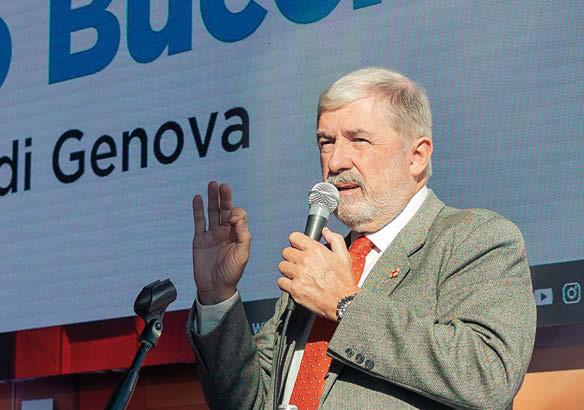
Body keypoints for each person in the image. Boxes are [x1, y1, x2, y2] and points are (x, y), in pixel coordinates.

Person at [186, 68, 537, 409]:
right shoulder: (319, 267)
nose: (336, 161)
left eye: (359, 140)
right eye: (326, 142)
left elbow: (489, 375)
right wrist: (217, 297)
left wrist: (345, 303)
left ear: (417, 156)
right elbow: (247, 401)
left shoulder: (475, 238)